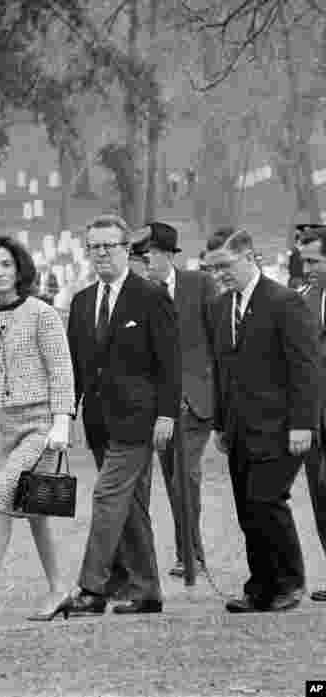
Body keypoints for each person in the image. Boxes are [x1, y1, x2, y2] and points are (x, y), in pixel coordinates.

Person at [61, 213, 180, 617]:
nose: (101, 254)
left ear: (127, 249)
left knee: (109, 496)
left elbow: (170, 363)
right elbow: (77, 367)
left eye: (109, 246)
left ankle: (91, 587)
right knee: (130, 505)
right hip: (98, 420)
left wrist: (166, 415)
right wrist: (66, 415)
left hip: (139, 420)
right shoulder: (80, 303)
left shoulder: (151, 296)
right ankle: (147, 590)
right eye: (94, 247)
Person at [0, 236, 74, 621]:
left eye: (6, 264)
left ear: (19, 269)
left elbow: (61, 370)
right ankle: (60, 590)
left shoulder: (42, 313)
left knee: (0, 494)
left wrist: (61, 422)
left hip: (42, 427)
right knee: (36, 509)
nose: (0, 272)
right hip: (12, 428)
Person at [206, 226, 317, 613]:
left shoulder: (284, 302)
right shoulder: (220, 308)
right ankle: (261, 587)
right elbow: (221, 369)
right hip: (238, 427)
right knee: (247, 509)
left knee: (267, 500)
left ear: (249, 255)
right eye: (212, 268)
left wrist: (304, 423)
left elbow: (305, 368)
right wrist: (220, 423)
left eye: (224, 265)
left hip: (281, 425)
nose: (218, 275)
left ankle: (288, 583)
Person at [143, 221, 217, 580]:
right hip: (160, 408)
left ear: (168, 255)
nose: (146, 262)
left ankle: (191, 554)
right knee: (174, 477)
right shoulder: (139, 292)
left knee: (185, 475)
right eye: (141, 256)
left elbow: (220, 340)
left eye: (151, 255)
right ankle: (188, 551)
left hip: (197, 401)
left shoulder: (200, 285)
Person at [295, 223, 326, 603]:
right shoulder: (302, 300)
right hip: (313, 416)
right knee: (319, 494)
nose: (308, 267)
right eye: (305, 261)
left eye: (315, 260)